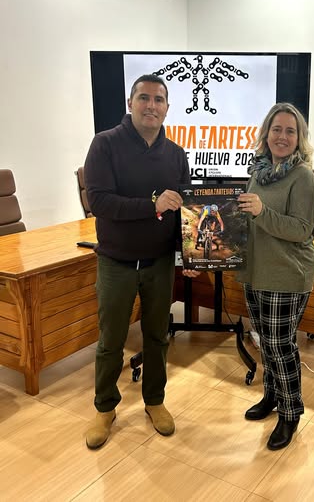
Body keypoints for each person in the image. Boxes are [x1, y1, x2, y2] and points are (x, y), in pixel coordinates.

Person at [84, 74, 198, 450]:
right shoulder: (105, 144)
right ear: (130, 103)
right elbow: (99, 202)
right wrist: (152, 205)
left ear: (167, 108)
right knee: (111, 341)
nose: (152, 105)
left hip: (159, 263)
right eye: (144, 98)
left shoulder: (176, 154)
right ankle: (105, 407)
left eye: (159, 99)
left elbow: (183, 215)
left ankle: (154, 401)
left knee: (157, 336)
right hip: (116, 262)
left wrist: (190, 254)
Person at [237, 102, 314, 451]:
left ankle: (290, 412)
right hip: (256, 271)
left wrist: (261, 211)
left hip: (287, 273)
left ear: (299, 137)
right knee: (265, 342)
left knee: (280, 346)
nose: (282, 137)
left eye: (290, 131)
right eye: (276, 129)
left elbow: (300, 230)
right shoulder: (259, 171)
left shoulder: (303, 177)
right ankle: (272, 396)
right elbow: (248, 218)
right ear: (266, 134)